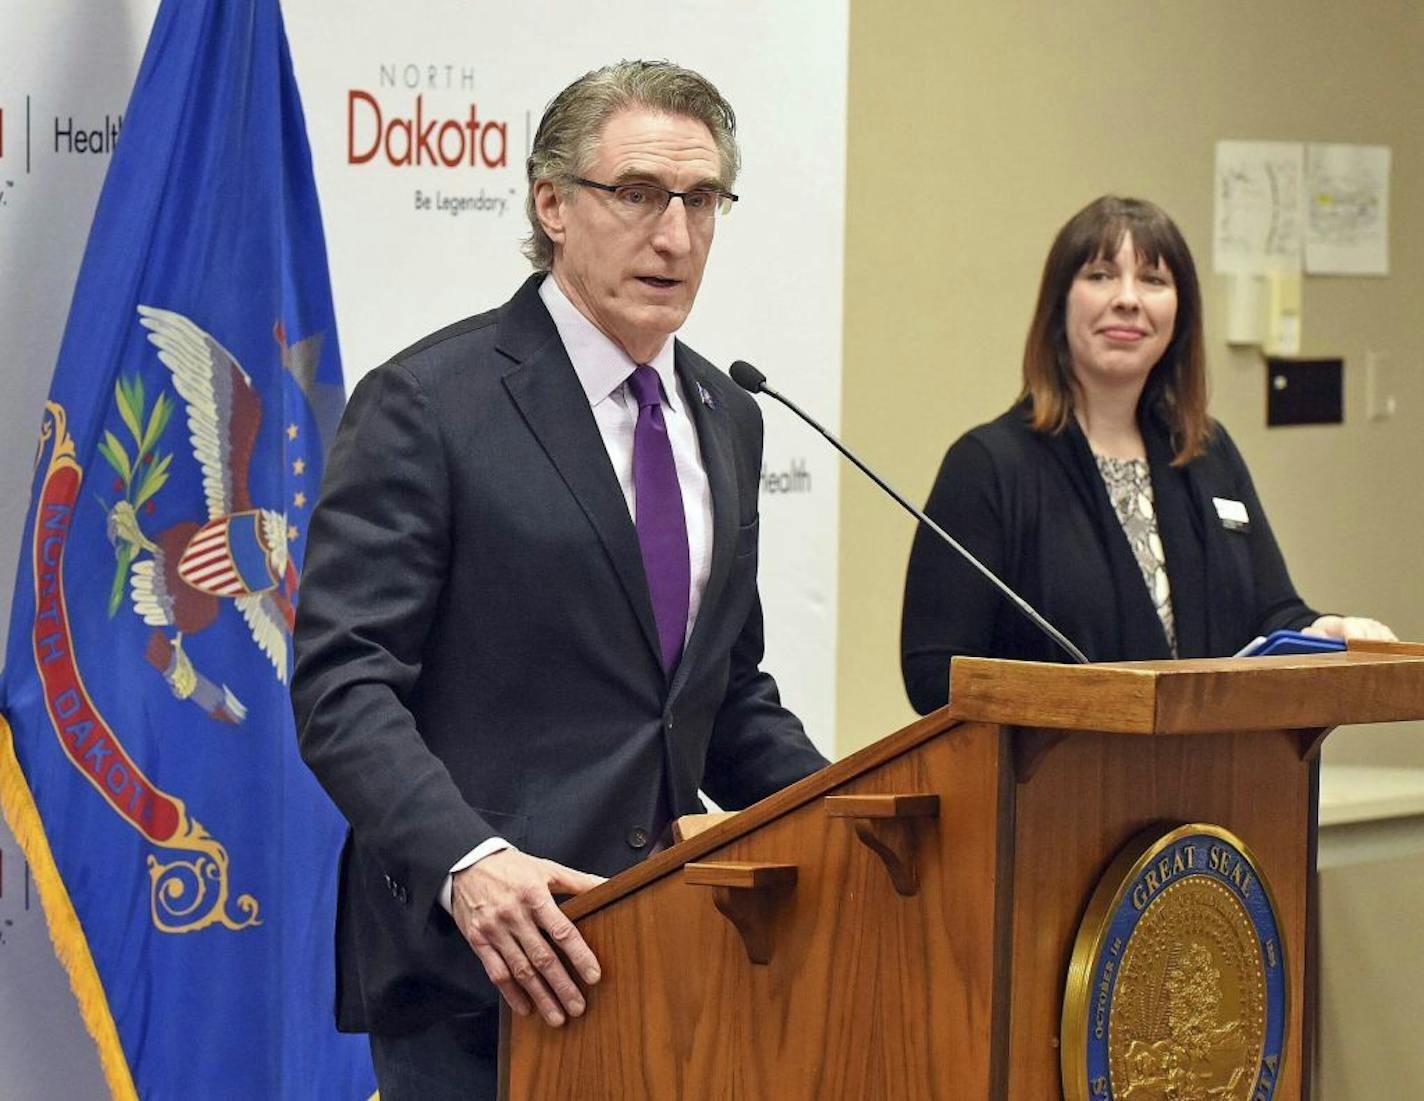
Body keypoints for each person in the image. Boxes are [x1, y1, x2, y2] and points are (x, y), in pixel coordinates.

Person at [291, 60, 828, 1099]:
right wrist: (468, 862)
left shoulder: (729, 415)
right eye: (635, 195)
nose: (672, 236)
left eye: (700, 200)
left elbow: (718, 697)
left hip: (669, 957)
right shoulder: (429, 404)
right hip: (484, 968)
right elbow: (342, 685)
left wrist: (851, 808)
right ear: (551, 203)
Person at [900, 195, 1394, 715]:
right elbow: (934, 673)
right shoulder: (989, 465)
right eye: (1101, 275)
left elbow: (1271, 613)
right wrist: (1085, 704)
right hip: (1056, 783)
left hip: (1215, 780)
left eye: (1153, 280)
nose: (1128, 299)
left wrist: (1322, 631)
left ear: (1179, 313)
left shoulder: (1207, 453)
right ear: (1058, 304)